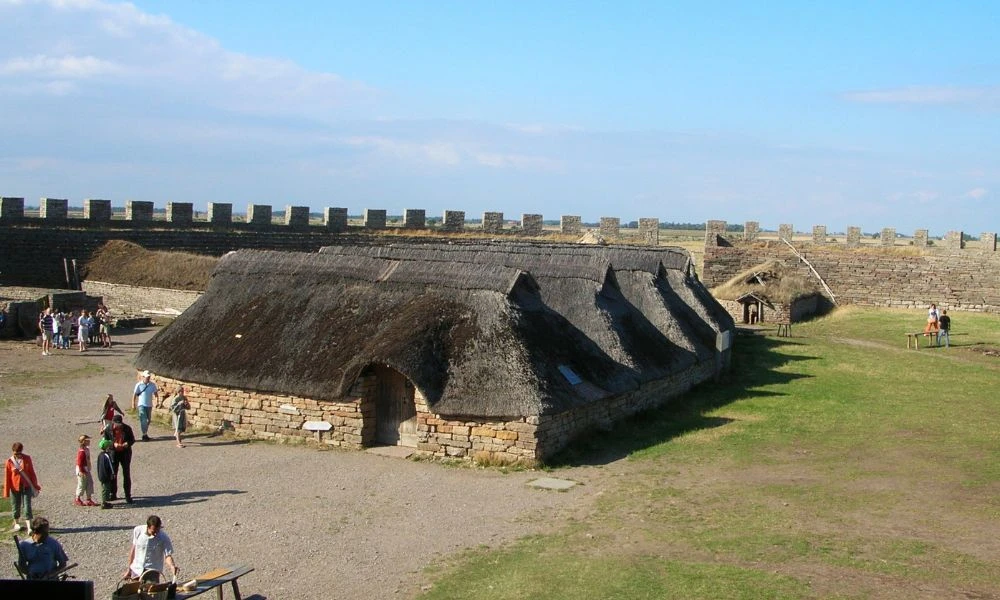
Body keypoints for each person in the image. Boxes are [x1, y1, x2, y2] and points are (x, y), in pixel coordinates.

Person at [125, 515, 179, 581]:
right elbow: (133, 550)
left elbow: (167, 555)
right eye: (153, 531)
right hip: (136, 570)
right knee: (133, 590)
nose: (156, 534)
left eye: (157, 531)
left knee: (152, 591)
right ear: (148, 527)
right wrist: (129, 569)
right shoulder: (138, 530)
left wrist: (172, 566)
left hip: (152, 572)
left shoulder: (164, 538)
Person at [3, 442, 41, 532]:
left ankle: (29, 526)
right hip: (14, 487)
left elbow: (31, 473)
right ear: (13, 452)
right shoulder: (9, 461)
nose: (18, 455)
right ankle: (16, 522)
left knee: (27, 506)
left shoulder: (27, 459)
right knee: (15, 506)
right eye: (16, 453)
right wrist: (6, 491)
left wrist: (35, 486)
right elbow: (7, 477)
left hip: (26, 486)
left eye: (19, 453)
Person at [106, 414, 136, 504]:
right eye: (117, 424)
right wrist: (113, 444)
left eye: (120, 423)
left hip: (125, 453)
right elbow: (105, 441)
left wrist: (128, 443)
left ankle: (128, 495)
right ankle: (113, 493)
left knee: (126, 474)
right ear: (113, 422)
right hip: (113, 453)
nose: (119, 425)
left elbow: (132, 439)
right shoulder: (108, 429)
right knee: (113, 473)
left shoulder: (127, 428)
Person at [133, 370, 160, 441]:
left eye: (149, 377)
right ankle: (144, 434)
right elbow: (135, 394)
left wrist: (157, 401)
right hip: (141, 404)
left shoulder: (152, 385)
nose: (148, 378)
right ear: (143, 377)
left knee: (148, 420)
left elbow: (156, 394)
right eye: (147, 377)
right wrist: (133, 403)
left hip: (149, 405)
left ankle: (144, 432)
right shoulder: (139, 385)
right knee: (144, 420)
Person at [74, 434, 97, 507]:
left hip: (87, 469)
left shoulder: (86, 449)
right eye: (87, 440)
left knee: (89, 483)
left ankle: (89, 499)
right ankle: (77, 498)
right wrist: (81, 471)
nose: (89, 441)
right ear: (84, 441)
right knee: (82, 484)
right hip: (82, 470)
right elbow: (79, 462)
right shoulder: (81, 451)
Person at [96, 438, 115, 509]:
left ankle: (105, 501)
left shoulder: (100, 455)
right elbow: (110, 465)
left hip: (101, 474)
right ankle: (104, 502)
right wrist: (113, 473)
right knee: (105, 488)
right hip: (106, 475)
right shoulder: (107, 455)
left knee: (104, 487)